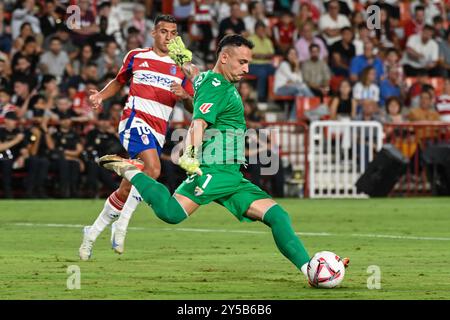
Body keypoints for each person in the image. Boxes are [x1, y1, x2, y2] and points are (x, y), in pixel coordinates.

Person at [98, 34, 349, 283]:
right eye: (242, 62)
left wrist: (185, 62)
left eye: (248, 63)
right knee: (171, 213)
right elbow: (198, 123)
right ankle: (133, 172)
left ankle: (310, 271)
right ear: (225, 57)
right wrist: (191, 154)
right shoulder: (216, 84)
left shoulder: (210, 80)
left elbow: (197, 78)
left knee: (278, 216)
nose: (246, 69)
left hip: (231, 175)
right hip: (213, 170)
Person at [79, 15, 194, 260]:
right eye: (163, 31)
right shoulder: (137, 56)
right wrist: (101, 95)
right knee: (153, 168)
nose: (168, 37)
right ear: (153, 33)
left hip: (158, 131)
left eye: (173, 32)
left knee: (129, 186)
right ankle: (121, 227)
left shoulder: (181, 66)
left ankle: (92, 232)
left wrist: (184, 96)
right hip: (133, 121)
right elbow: (119, 81)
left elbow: (195, 108)